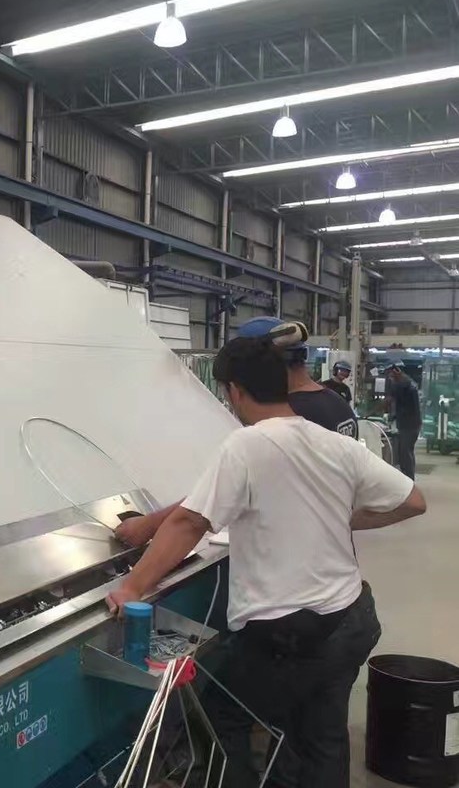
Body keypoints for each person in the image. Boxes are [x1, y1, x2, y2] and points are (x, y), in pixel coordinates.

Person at [106, 337, 426, 788]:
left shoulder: (247, 445)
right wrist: (345, 518)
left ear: (234, 391)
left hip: (291, 635)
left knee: (222, 720)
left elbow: (189, 522)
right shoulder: (335, 445)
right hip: (350, 619)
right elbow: (412, 501)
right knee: (321, 737)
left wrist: (131, 588)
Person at [115, 318, 358, 549]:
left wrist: (150, 524)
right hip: (331, 551)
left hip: (293, 560)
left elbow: (220, 497)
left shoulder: (287, 417)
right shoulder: (336, 403)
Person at [385, 361, 422, 479]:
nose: (389, 377)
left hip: (409, 424)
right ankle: (409, 478)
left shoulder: (402, 384)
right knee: (408, 452)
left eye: (390, 373)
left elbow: (389, 400)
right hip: (413, 423)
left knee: (404, 453)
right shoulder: (408, 382)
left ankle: (408, 479)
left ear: (397, 370)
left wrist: (369, 413)